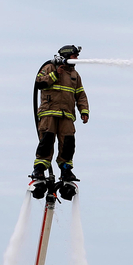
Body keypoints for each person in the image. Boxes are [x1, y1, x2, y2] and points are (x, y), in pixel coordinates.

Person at [31, 45, 89, 183]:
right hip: (49, 113)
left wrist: (84, 111)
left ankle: (66, 170)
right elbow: (39, 83)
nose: (77, 59)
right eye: (75, 56)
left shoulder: (75, 75)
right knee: (47, 141)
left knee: (68, 143)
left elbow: (81, 95)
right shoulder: (49, 67)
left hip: (67, 116)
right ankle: (39, 169)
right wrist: (56, 74)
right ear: (67, 56)